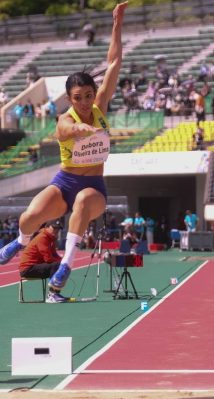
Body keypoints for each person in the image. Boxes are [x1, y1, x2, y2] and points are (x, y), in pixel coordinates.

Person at [0, 2, 128, 302]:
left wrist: (117, 23)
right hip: (64, 183)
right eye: (77, 98)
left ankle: (66, 267)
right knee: (29, 218)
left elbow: (114, 62)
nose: (84, 102)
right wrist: (81, 130)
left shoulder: (100, 107)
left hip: (93, 188)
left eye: (88, 95)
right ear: (69, 99)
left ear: (93, 94)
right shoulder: (65, 120)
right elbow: (65, 132)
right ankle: (20, 241)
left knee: (83, 202)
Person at [19, 220, 66, 303]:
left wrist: (64, 262)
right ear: (47, 227)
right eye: (54, 228)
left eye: (58, 229)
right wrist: (61, 264)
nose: (56, 230)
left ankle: (54, 293)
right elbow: (48, 259)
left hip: (35, 266)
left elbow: (54, 255)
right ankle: (52, 295)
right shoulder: (42, 237)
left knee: (60, 265)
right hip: (27, 269)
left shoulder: (51, 239)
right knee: (55, 265)